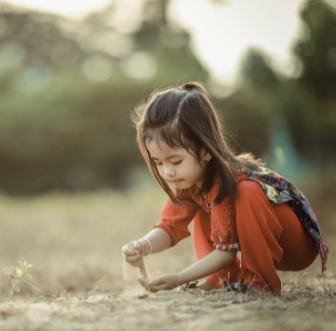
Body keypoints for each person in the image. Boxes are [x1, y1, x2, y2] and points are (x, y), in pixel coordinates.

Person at [121, 82, 328, 295]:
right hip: (264, 245)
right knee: (203, 205)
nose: (167, 172)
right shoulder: (187, 182)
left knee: (247, 191)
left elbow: (225, 254)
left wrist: (179, 278)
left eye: (175, 162)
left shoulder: (228, 181)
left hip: (295, 245)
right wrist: (143, 245)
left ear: (205, 151)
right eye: (158, 163)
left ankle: (260, 283)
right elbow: (168, 227)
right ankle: (224, 278)